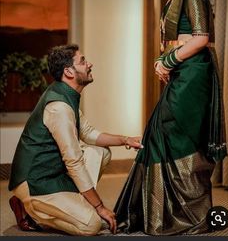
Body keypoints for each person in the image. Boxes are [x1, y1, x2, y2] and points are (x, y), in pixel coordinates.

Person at [114, 0, 227, 236]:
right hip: (182, 72)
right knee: (161, 134)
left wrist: (167, 60)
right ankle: (162, 215)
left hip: (194, 74)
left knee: (180, 135)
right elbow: (176, 41)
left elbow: (201, 38)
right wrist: (162, 60)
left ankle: (193, 215)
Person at [8, 44, 142, 236]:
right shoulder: (59, 107)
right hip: (37, 181)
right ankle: (30, 209)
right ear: (68, 71)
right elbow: (73, 161)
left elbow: (88, 133)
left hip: (54, 172)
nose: (90, 64)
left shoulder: (65, 94)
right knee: (91, 225)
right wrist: (100, 207)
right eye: (83, 61)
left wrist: (126, 139)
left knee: (101, 152)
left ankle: (71, 204)